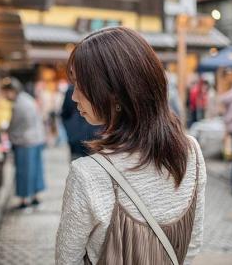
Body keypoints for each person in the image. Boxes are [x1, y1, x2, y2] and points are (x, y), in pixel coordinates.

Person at [56, 27, 206, 265]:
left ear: (115, 93)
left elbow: (67, 260)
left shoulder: (87, 173)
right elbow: (192, 245)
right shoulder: (191, 151)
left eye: (81, 85)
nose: (74, 96)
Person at [1, 77, 46, 209]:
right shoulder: (26, 99)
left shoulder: (19, 104)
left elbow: (14, 125)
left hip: (25, 141)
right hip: (36, 139)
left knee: (24, 171)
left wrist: (7, 131)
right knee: (36, 170)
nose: (4, 96)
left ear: (11, 91)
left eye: (5, 93)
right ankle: (35, 197)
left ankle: (24, 200)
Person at [60, 84, 101, 160]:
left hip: (86, 135)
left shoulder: (71, 90)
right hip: (84, 136)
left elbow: (65, 113)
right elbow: (65, 113)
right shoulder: (71, 90)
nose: (74, 97)